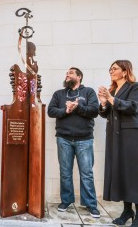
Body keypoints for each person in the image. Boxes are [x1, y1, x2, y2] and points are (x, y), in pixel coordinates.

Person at [98, 60, 138, 227]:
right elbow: (105, 114)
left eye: (115, 68)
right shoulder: (113, 90)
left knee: (135, 172)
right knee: (121, 170)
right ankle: (127, 210)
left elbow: (133, 107)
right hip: (115, 135)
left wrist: (111, 99)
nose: (111, 71)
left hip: (132, 135)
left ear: (125, 71)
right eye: (110, 69)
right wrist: (103, 102)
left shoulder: (135, 87)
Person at [48, 67, 100, 218]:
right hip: (63, 138)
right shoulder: (59, 94)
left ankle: (90, 204)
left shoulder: (88, 92)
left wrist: (78, 107)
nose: (67, 75)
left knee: (87, 173)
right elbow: (51, 111)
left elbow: (94, 111)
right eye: (66, 73)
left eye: (70, 73)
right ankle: (66, 201)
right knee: (65, 172)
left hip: (84, 139)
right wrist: (66, 111)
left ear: (79, 77)